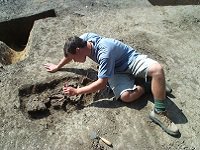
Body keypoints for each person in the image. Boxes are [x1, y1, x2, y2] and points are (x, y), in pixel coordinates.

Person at [44, 33, 179, 136]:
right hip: (115, 69)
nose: (73, 61)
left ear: (78, 50)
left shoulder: (104, 54)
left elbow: (102, 84)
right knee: (126, 97)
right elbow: (69, 54)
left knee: (157, 70)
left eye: (74, 58)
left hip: (130, 60)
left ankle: (159, 112)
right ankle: (149, 85)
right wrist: (57, 66)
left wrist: (77, 91)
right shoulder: (84, 39)